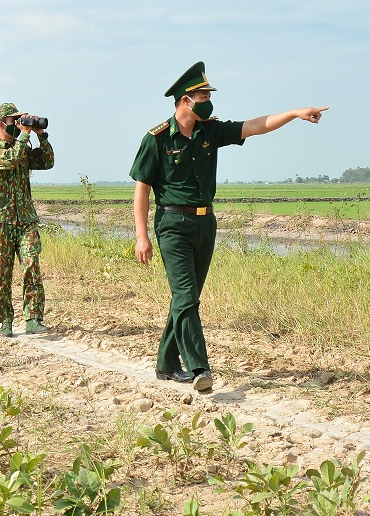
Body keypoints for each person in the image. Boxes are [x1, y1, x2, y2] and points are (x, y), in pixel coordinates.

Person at [129, 62, 327, 393]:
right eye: (202, 94)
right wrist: (141, 236)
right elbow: (141, 188)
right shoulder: (157, 139)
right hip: (172, 225)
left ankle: (166, 363)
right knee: (187, 296)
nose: (208, 99)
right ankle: (198, 368)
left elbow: (256, 126)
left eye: (208, 94)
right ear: (184, 100)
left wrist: (294, 113)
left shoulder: (211, 131)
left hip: (206, 223)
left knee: (186, 298)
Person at [0, 102, 54, 336]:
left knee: (32, 265)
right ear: (2, 124)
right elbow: (10, 159)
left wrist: (41, 136)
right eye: (15, 121)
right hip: (0, 220)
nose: (21, 125)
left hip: (25, 219)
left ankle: (33, 317)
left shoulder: (23, 147)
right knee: (1, 273)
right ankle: (5, 319)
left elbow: (47, 162)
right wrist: (24, 135)